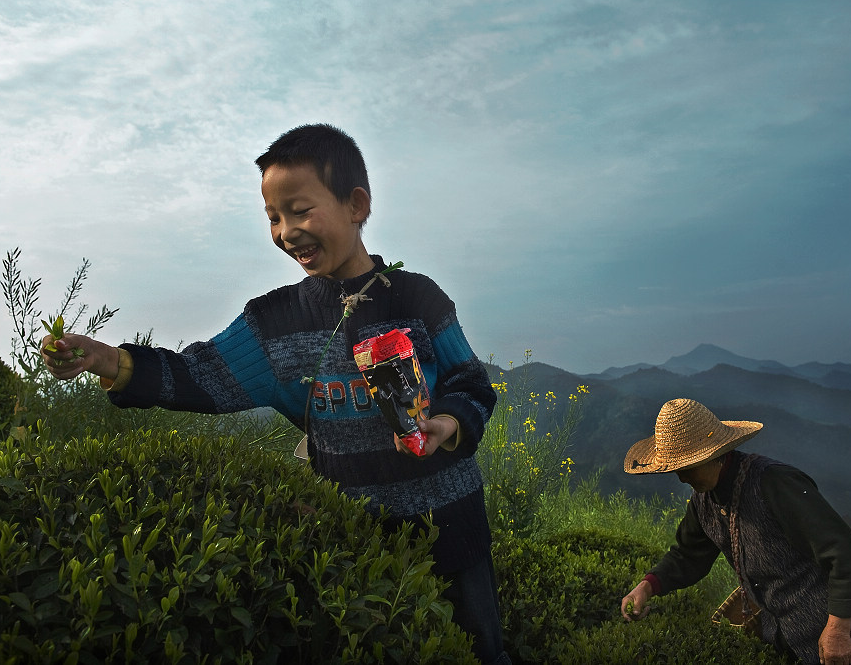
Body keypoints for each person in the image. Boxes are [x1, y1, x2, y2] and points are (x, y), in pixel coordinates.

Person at [41, 124, 510, 664]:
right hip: (353, 547)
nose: (287, 231)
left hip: (453, 534)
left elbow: (470, 381)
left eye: (301, 210)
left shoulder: (418, 298)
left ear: (356, 205)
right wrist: (111, 362)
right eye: (272, 217)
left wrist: (449, 422)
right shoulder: (275, 322)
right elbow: (198, 375)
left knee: (480, 654)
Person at [619, 398, 851, 665]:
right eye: (677, 470)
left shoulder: (774, 484)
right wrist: (646, 587)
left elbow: (843, 551)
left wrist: (839, 629)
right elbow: (688, 555)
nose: (681, 477)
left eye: (687, 468)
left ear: (715, 454)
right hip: (792, 633)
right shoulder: (705, 499)